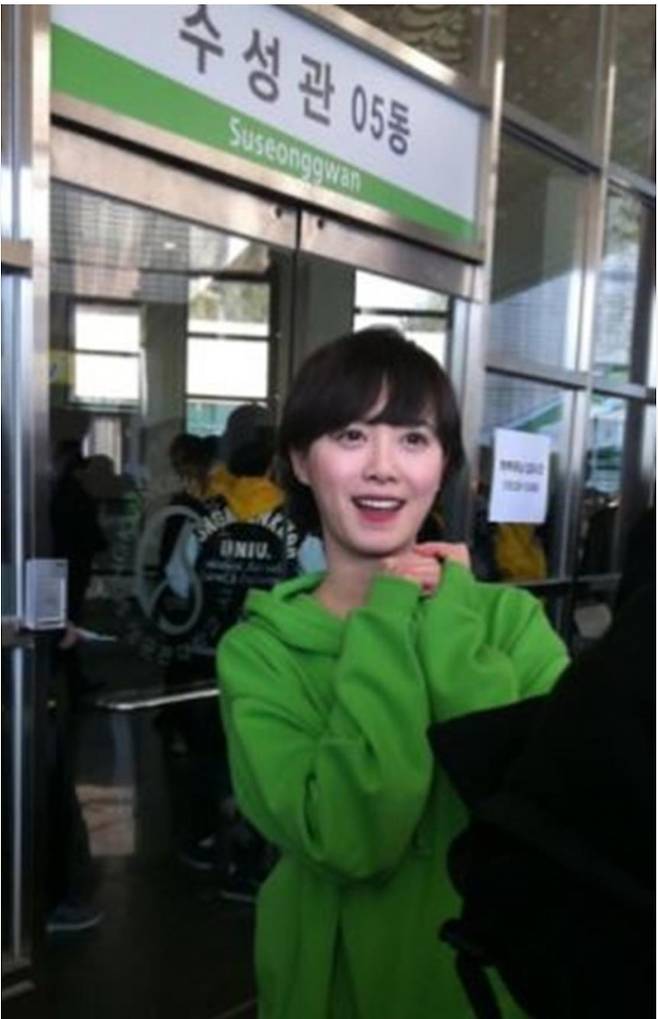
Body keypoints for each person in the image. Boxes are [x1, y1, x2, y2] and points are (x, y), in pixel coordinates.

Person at [216, 328, 569, 1019]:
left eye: (413, 438)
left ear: (444, 465)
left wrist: (451, 618)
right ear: (301, 460)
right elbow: (348, 838)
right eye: (351, 435)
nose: (383, 467)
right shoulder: (260, 652)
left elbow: (548, 806)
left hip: (489, 986)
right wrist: (389, 615)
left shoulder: (509, 622)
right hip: (330, 990)